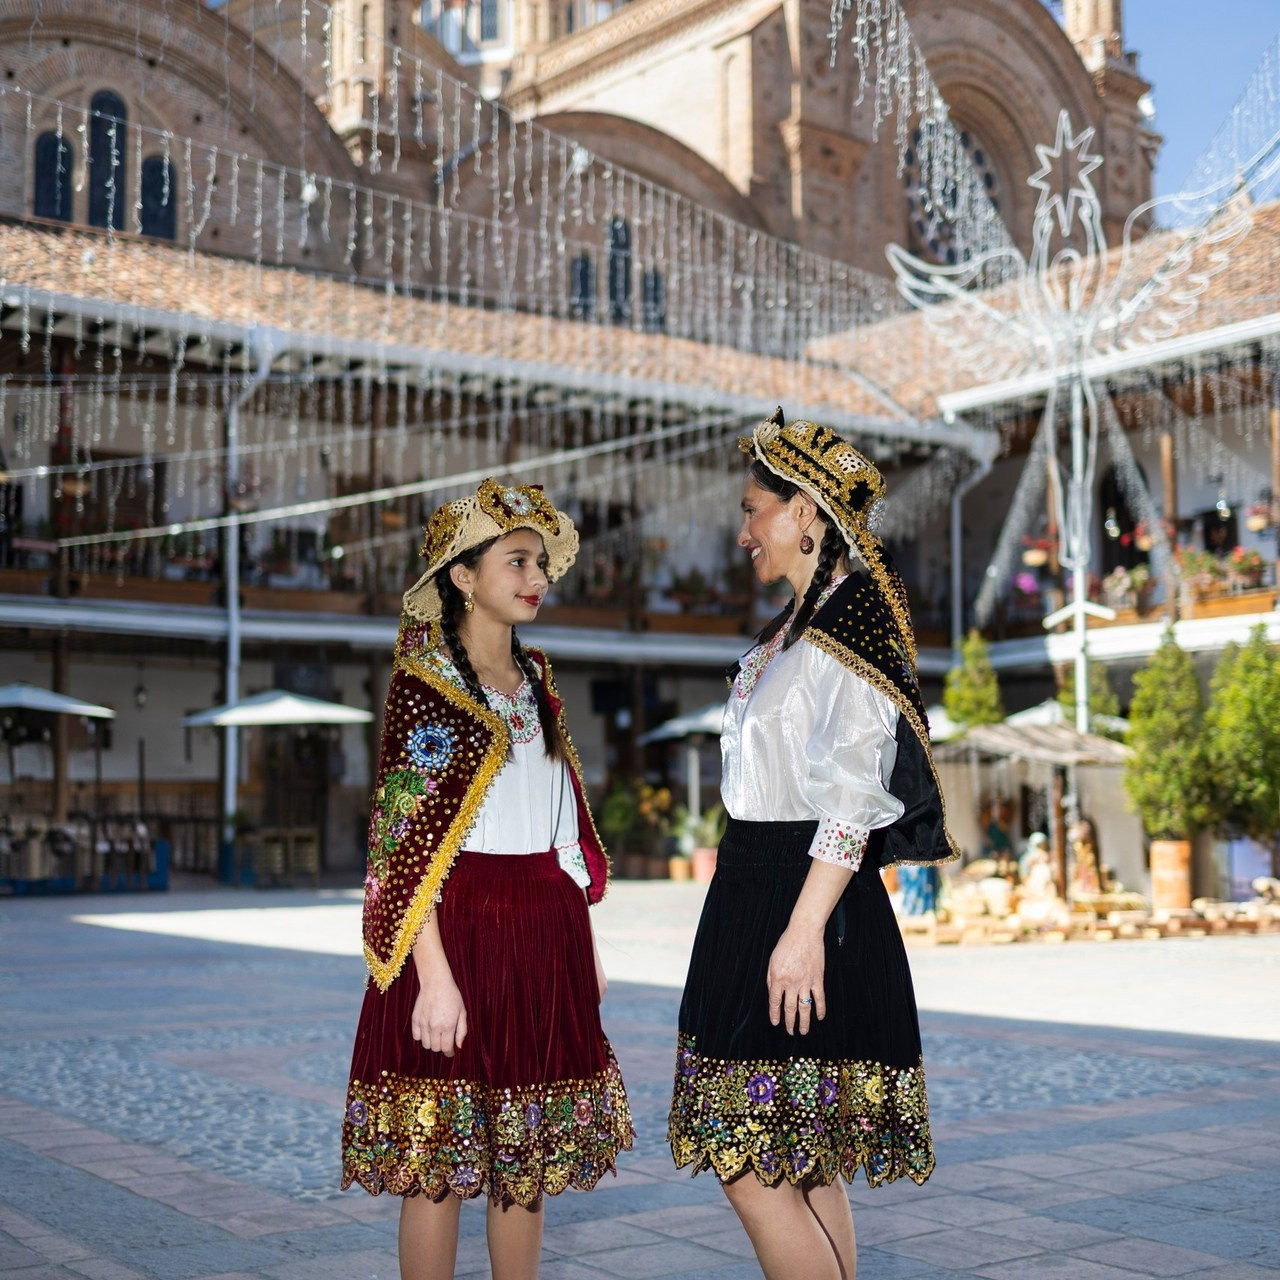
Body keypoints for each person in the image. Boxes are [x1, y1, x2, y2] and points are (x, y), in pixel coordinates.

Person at [668, 411, 958, 1280]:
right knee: (801, 1156)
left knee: (751, 1162)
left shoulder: (850, 623)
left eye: (757, 508)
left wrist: (800, 934)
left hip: (806, 906)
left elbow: (852, 796)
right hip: (751, 893)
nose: (745, 529)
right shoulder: (786, 635)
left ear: (806, 515)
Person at [341, 478, 634, 1280]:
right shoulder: (423, 687)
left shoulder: (540, 682)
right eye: (516, 560)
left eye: (539, 561)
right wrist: (433, 979)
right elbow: (402, 845)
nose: (535, 576)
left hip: (544, 926)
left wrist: (587, 943)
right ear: (463, 578)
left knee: (525, 1155)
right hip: (455, 928)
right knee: (437, 1163)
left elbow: (563, 820)